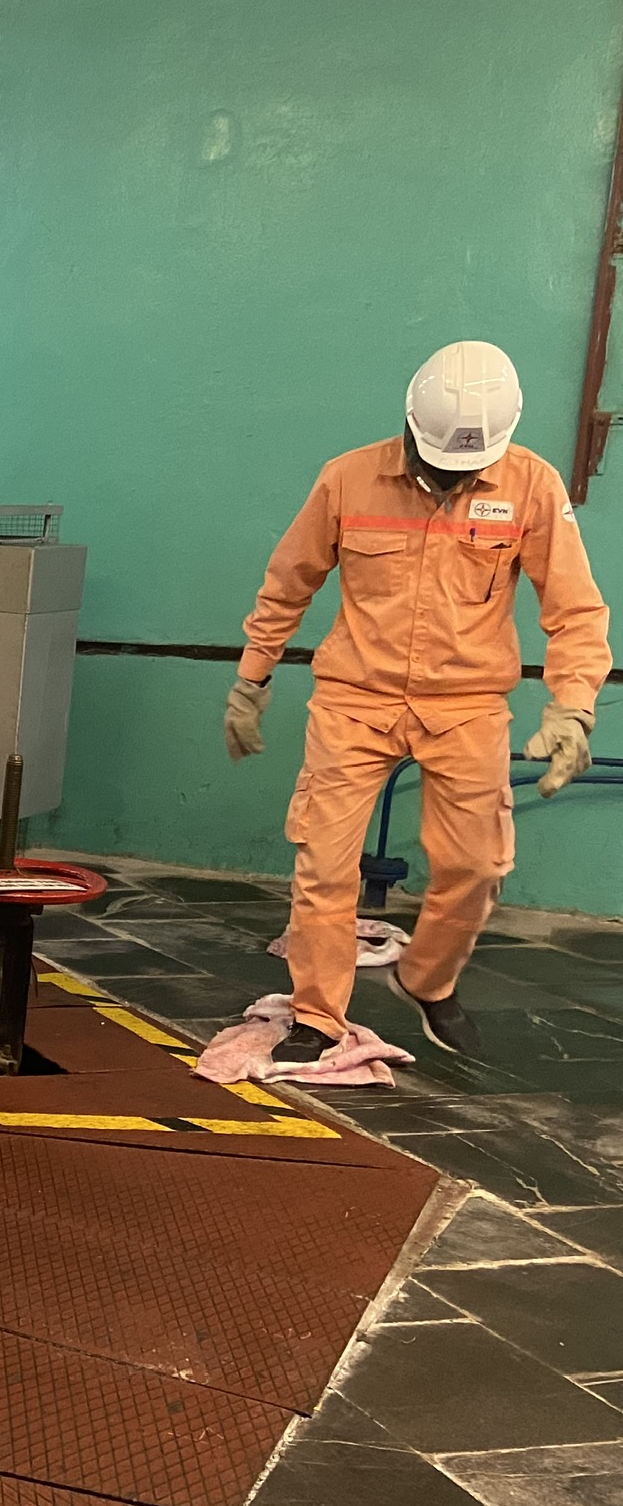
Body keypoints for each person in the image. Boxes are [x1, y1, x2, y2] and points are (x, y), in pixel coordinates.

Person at [227, 341, 609, 1061]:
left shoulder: (531, 485)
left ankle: (427, 979)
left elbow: (575, 610)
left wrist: (573, 706)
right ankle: (317, 1014)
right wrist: (253, 678)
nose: (448, 477)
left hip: (468, 707)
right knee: (325, 866)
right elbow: (288, 581)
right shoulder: (347, 479)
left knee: (477, 866)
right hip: (355, 701)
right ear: (410, 421)